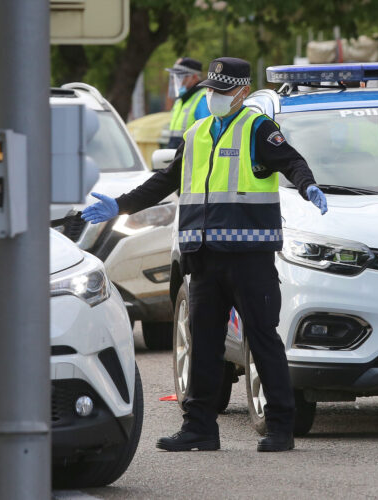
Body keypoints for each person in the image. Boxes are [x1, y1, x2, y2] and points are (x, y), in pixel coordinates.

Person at [82, 57, 328, 453]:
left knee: (262, 339)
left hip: (250, 257)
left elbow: (292, 162)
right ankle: (199, 428)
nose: (215, 97)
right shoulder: (197, 132)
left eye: (223, 91)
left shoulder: (258, 129)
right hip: (204, 258)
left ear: (242, 93)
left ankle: (281, 427)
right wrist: (120, 206)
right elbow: (165, 181)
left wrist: (307, 185)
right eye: (212, 90)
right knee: (205, 344)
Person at [165, 57, 210, 149]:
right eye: (174, 77)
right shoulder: (180, 100)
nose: (175, 81)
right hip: (176, 154)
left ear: (194, 77)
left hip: (189, 157)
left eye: (180, 77)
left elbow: (205, 135)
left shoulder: (203, 99)